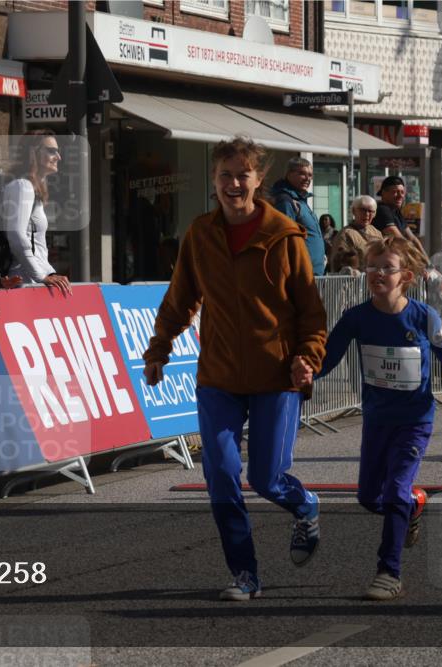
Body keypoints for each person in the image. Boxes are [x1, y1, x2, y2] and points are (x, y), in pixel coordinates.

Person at [142, 136, 327, 602]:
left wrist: (307, 359)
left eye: (242, 174)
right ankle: (245, 574)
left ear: (259, 180)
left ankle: (304, 505)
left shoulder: (285, 236)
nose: (233, 183)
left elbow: (310, 313)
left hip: (274, 377)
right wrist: (158, 349)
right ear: (214, 181)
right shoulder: (200, 235)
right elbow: (180, 299)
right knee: (221, 473)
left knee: (265, 478)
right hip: (219, 377)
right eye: (225, 175)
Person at [296, 237, 442, 600]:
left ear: (405, 276)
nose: (377, 274)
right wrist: (311, 373)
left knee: (393, 491)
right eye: (371, 267)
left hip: (415, 420)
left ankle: (389, 572)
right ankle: (415, 501)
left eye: (386, 268)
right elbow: (330, 356)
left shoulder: (422, 315)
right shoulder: (357, 317)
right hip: (377, 419)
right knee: (368, 496)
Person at [1, 129, 72, 296]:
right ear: (33, 152)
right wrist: (41, 275)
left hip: (31, 279)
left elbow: (37, 246)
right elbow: (16, 235)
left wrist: (48, 272)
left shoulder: (31, 187)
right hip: (23, 281)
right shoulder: (23, 186)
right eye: (51, 151)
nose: (58, 157)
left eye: (58, 151)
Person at [271, 157, 325, 276]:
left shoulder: (301, 200)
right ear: (289, 174)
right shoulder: (286, 201)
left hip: (314, 272)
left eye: (310, 175)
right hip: (300, 273)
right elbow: (284, 239)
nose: (307, 178)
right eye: (302, 174)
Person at [372, 175, 427, 259]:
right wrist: (416, 261)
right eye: (395, 192)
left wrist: (427, 262)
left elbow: (412, 238)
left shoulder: (396, 211)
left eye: (402, 192)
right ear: (383, 193)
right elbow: (399, 239)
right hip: (384, 262)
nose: (400, 196)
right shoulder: (382, 210)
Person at [330, 195, 384, 272]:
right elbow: (338, 266)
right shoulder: (345, 234)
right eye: (363, 210)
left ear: (375, 214)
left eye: (370, 211)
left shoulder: (376, 232)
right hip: (355, 281)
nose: (367, 214)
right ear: (353, 211)